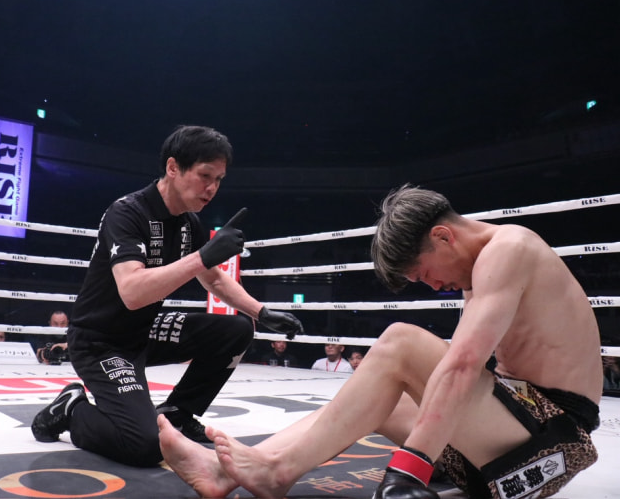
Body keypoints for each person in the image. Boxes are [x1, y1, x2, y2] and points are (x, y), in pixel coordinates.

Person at [159, 184, 602, 499]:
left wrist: (411, 468)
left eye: (425, 274)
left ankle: (276, 473)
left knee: (400, 342)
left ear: (443, 236)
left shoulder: (509, 250)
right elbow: (462, 371)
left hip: (553, 444)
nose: (434, 286)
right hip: (505, 442)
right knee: (374, 398)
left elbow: (463, 366)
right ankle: (234, 472)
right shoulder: (480, 270)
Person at [31, 125, 304, 467]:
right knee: (146, 446)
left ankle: (178, 413)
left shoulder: (189, 223)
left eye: (219, 180)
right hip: (100, 342)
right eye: (205, 175)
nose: (212, 188)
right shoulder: (127, 213)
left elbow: (214, 279)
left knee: (236, 330)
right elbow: (132, 292)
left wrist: (261, 312)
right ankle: (71, 409)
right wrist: (203, 256)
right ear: (173, 168)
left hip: (143, 332)